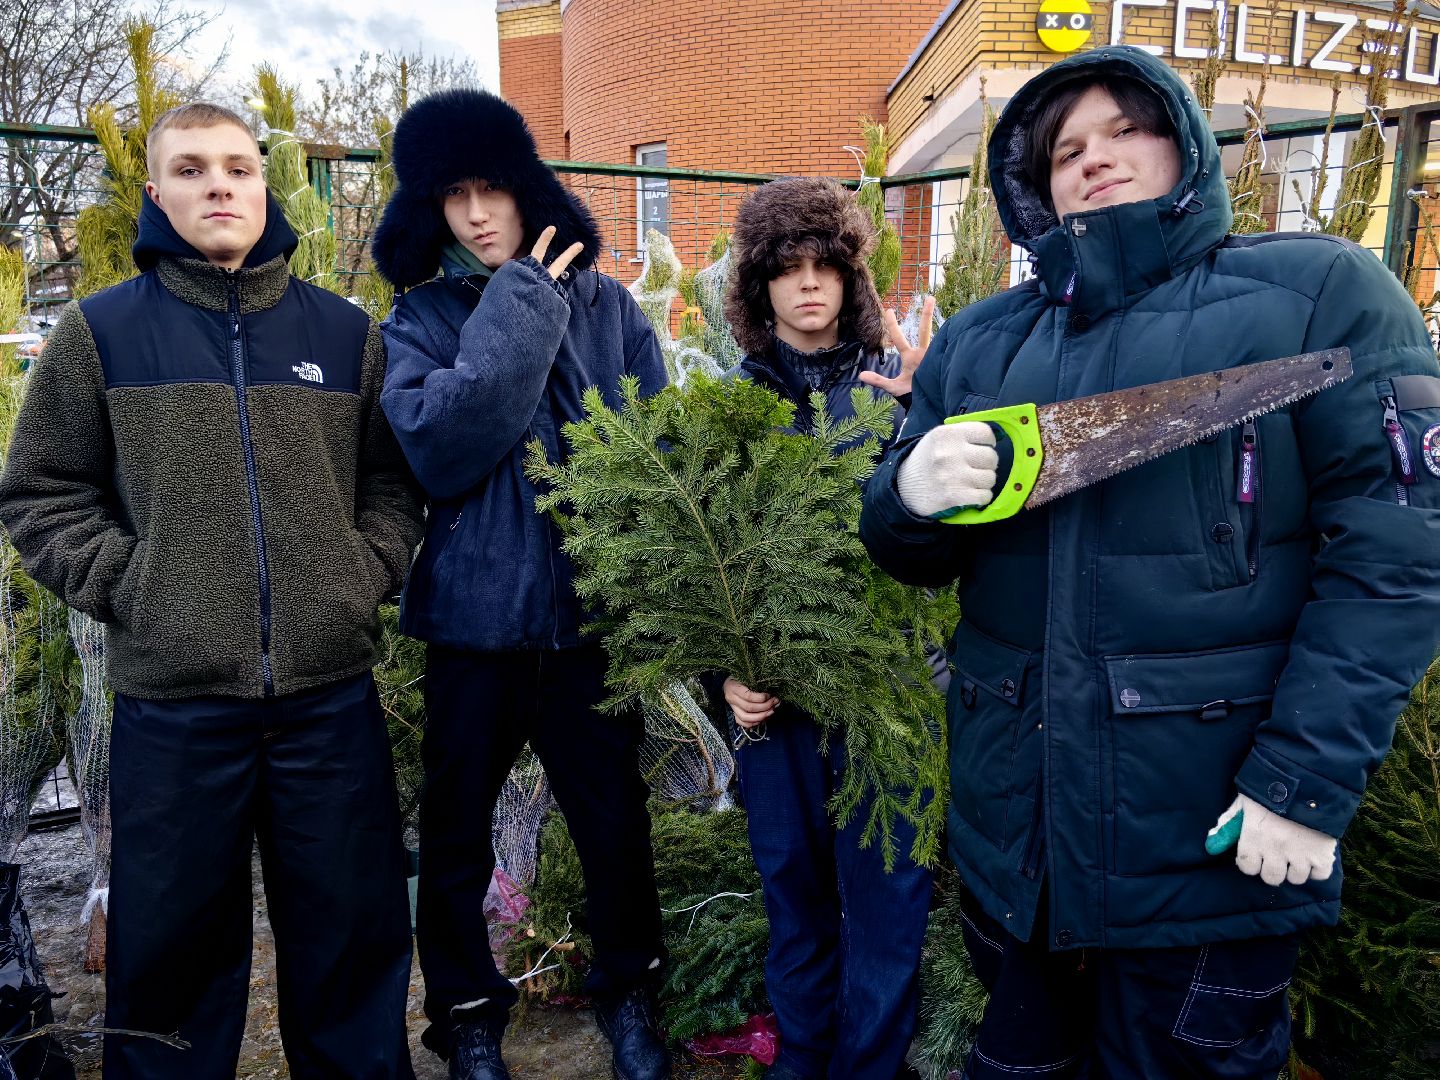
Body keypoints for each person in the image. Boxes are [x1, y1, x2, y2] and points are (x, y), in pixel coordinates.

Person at [859, 46, 1440, 1079]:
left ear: (1184, 142)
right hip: (1019, 851)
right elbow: (912, 562)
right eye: (1066, 149)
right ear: (1033, 187)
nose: (1095, 159)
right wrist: (904, 496)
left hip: (1207, 850)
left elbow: (1399, 556)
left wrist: (1303, 780)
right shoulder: (982, 345)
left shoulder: (1320, 296)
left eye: (1126, 129)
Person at [0, 103, 424, 1079]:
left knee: (353, 948)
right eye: (191, 170)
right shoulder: (100, 335)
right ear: (157, 194)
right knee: (169, 965)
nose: (220, 186)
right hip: (175, 708)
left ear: (263, 186)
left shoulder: (345, 333)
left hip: (329, 702)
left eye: (238, 167)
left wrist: (362, 575)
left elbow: (393, 485)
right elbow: (40, 493)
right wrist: (135, 584)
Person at [371, 89, 671, 1080]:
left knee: (615, 826)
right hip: (472, 623)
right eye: (452, 194)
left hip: (589, 624)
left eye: (493, 185)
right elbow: (445, 448)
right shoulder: (414, 322)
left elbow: (646, 453)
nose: (476, 213)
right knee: (454, 838)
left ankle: (632, 993)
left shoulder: (611, 307)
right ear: (431, 207)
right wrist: (521, 304)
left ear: (527, 185)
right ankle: (464, 1017)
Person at [720, 175, 934, 1080]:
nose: (808, 285)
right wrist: (722, 678)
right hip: (778, 711)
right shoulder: (728, 406)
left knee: (888, 900)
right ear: (759, 286)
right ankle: (801, 1062)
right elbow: (706, 566)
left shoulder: (900, 391)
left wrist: (929, 412)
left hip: (890, 693)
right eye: (787, 268)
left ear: (851, 278)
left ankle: (870, 1067)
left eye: (825, 266)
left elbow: (945, 535)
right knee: (795, 898)